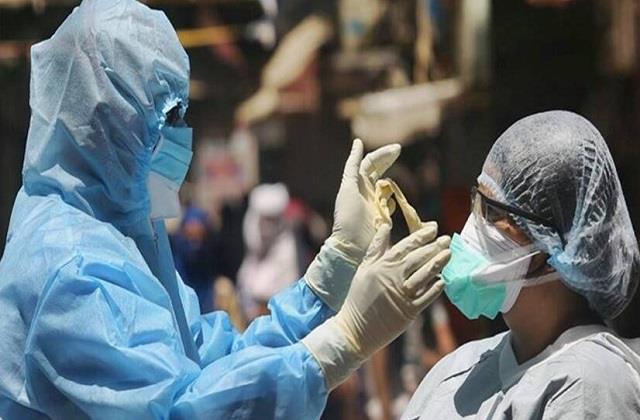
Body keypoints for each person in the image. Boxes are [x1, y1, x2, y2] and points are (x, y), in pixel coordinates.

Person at [0, 1, 451, 419]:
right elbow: (182, 409)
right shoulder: (72, 266)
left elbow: (216, 366)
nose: (181, 135)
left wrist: (332, 272)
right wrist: (343, 341)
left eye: (182, 114)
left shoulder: (124, 237)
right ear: (103, 126)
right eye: (167, 117)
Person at [402, 110, 640, 419]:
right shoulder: (458, 369)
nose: (474, 224)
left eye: (493, 212)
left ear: (558, 246)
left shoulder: (588, 385)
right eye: (476, 202)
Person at [237, 183, 300, 319]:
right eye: (264, 219)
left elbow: (285, 286)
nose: (266, 226)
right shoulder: (253, 249)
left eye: (271, 220)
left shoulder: (285, 247)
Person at [170, 206, 221, 313]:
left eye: (198, 233)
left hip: (204, 300)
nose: (194, 237)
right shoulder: (176, 250)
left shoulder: (208, 252)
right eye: (190, 233)